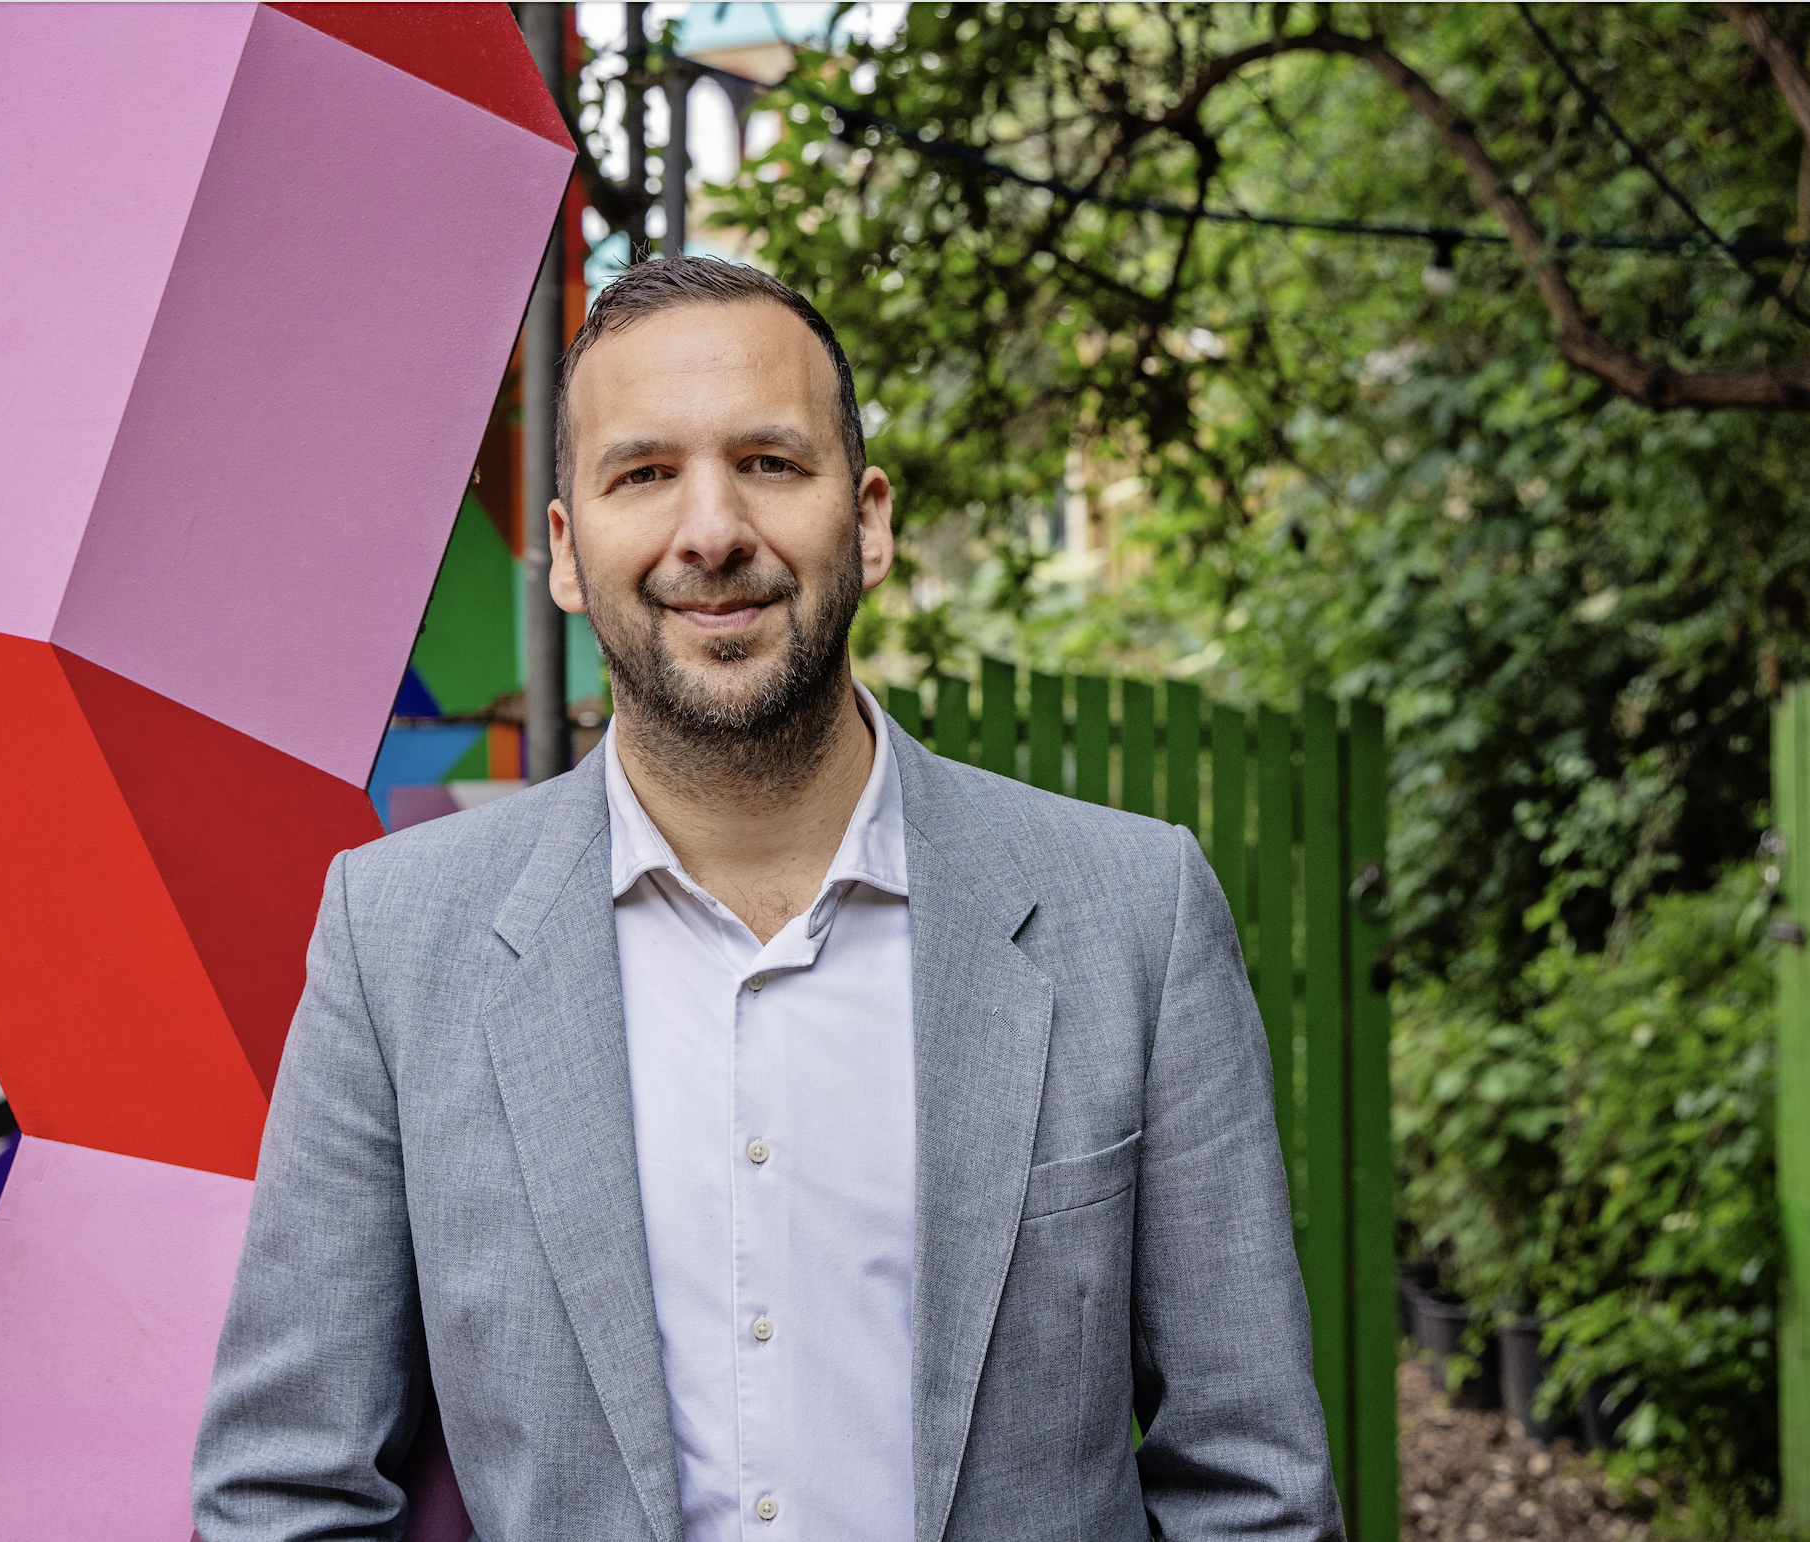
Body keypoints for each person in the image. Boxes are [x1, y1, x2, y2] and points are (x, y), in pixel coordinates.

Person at [192, 256, 1340, 1542]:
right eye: (642, 474)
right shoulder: (396, 940)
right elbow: (285, 1490)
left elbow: (1254, 1490)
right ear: (568, 552)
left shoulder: (1135, 915)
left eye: (770, 463)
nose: (710, 531)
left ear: (870, 520)